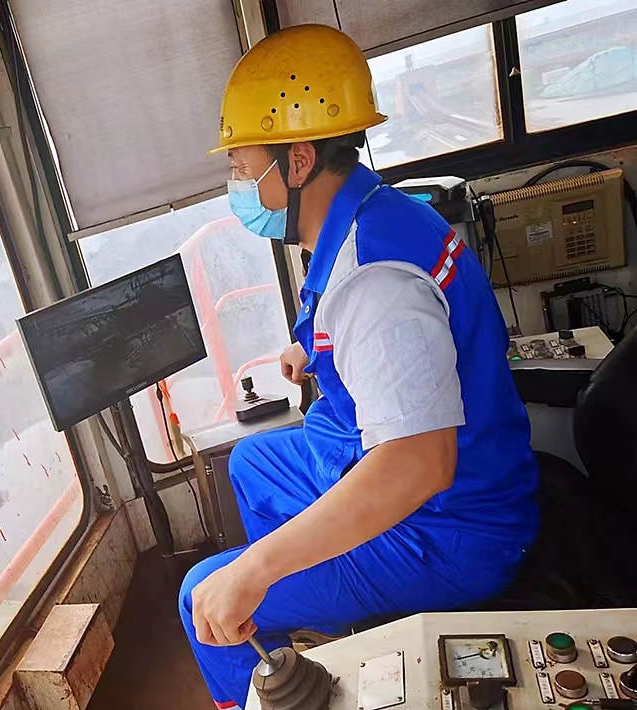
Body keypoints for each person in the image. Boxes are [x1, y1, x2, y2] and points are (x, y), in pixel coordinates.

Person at [178, 24, 538, 709]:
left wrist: (254, 570)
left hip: (449, 527)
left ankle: (276, 629)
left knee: (201, 594)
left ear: (298, 160)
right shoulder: (370, 213)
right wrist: (307, 347)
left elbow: (417, 464)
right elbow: (348, 320)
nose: (237, 183)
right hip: (407, 466)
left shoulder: (375, 284)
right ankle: (312, 618)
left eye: (242, 166)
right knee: (251, 463)